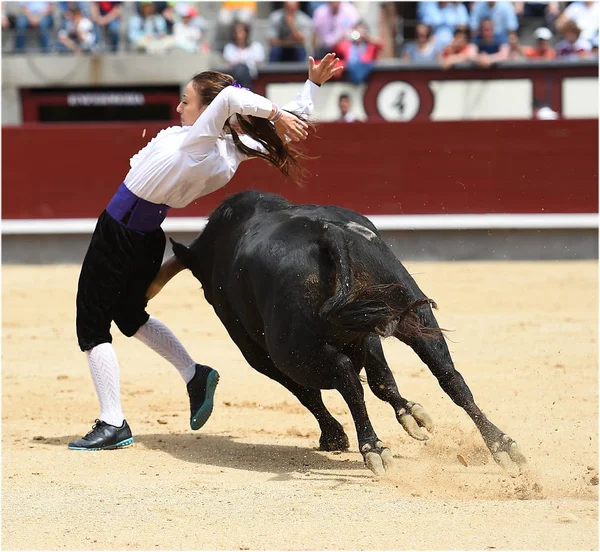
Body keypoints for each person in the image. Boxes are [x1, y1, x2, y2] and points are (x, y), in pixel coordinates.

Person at [67, 53, 344, 451]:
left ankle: (113, 421)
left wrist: (275, 111)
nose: (179, 107)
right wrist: (311, 86)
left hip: (119, 233)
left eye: (186, 100)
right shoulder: (234, 146)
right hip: (146, 236)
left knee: (91, 326)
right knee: (129, 316)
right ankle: (195, 375)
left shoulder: (202, 142)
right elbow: (285, 120)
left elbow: (233, 99)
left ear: (207, 109)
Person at [223, 21, 265, 90]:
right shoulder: (229, 48)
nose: (239, 35)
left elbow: (259, 63)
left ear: (247, 33)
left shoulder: (256, 46)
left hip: (253, 80)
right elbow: (228, 64)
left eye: (241, 32)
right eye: (236, 32)